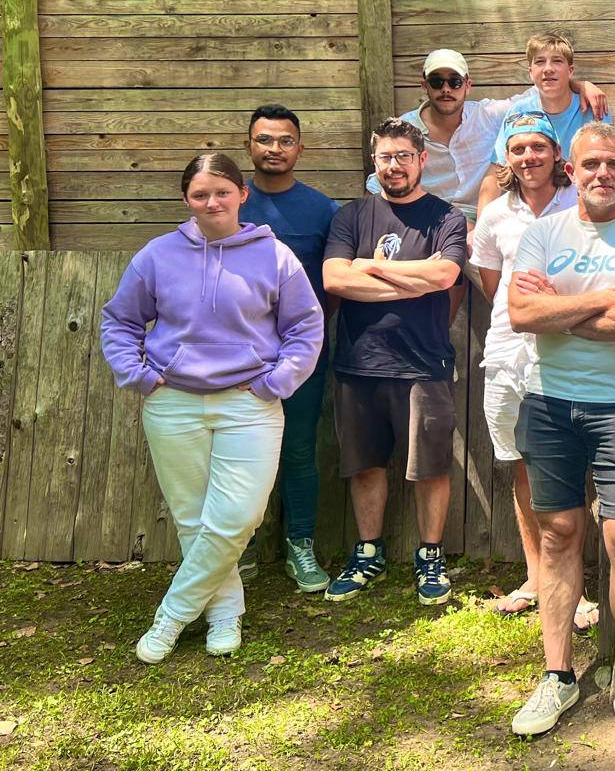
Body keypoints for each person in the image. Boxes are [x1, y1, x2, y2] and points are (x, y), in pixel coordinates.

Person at [101, 154, 323, 663]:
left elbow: (305, 328)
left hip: (249, 403)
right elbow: (119, 322)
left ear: (243, 193)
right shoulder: (157, 255)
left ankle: (173, 615)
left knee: (239, 516)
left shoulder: (275, 256)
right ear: (186, 200)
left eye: (222, 191)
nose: (211, 202)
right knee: (193, 519)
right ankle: (225, 614)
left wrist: (276, 383)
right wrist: (139, 376)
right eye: (200, 194)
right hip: (173, 403)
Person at [505, 122, 615, 754]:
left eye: (614, 164)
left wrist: (567, 308)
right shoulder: (542, 233)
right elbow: (522, 315)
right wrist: (607, 298)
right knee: (558, 535)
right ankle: (557, 675)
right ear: (569, 171)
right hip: (549, 404)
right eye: (591, 164)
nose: (603, 174)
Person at [323, 118, 468, 607]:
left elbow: (446, 274)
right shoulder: (351, 217)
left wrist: (373, 267)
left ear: (422, 160)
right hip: (359, 362)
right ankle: (368, 552)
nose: (394, 166)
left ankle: (430, 555)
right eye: (386, 157)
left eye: (404, 156)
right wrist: (414, 277)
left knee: (430, 466)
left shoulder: (446, 218)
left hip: (423, 362)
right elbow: (337, 281)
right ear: (374, 161)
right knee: (364, 464)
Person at [468, 113, 578, 617]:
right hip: (507, 352)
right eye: (518, 149)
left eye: (538, 146)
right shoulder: (495, 216)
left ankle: (576, 585)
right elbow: (493, 284)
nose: (529, 157)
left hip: (564, 351)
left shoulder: (579, 204)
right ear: (506, 158)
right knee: (519, 464)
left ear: (556, 153)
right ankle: (536, 578)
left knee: (570, 465)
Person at [237, 105, 341, 593]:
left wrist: (307, 335)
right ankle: (241, 546)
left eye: (284, 141)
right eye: (264, 140)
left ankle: (300, 544)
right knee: (238, 453)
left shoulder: (323, 210)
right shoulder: (229, 205)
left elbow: (334, 285)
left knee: (299, 451)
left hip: (300, 358)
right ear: (248, 145)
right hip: (234, 360)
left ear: (300, 148)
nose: (273, 149)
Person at [368, 47, 604, 230]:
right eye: (437, 81)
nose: (446, 89)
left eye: (455, 81)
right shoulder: (406, 130)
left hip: (480, 216)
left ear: (468, 85)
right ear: (425, 86)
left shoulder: (487, 115)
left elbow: (542, 90)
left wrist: (580, 84)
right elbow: (376, 182)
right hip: (428, 217)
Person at [475, 31, 613, 218]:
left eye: (557, 61)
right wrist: (481, 227)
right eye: (540, 62)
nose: (548, 69)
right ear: (531, 72)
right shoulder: (518, 112)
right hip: (528, 208)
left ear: (570, 71)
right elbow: (495, 173)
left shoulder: (593, 109)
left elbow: (609, 165)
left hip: (580, 208)